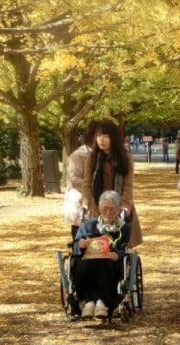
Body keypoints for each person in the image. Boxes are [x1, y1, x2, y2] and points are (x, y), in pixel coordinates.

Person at [81, 120, 143, 248]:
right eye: (98, 136)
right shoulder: (92, 158)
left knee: (118, 245)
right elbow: (87, 183)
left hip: (118, 206)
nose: (101, 140)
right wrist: (85, 203)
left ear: (113, 138)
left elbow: (128, 185)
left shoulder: (125, 158)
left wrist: (125, 206)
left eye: (106, 136)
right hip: (98, 205)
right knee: (97, 246)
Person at [73, 190, 131, 319]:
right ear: (99, 209)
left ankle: (100, 303)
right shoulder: (88, 225)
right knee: (88, 263)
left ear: (118, 210)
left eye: (112, 209)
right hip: (88, 262)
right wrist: (81, 244)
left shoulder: (124, 228)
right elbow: (75, 246)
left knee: (104, 264)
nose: (109, 212)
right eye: (105, 208)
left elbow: (124, 250)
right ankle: (90, 302)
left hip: (111, 263)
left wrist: (118, 255)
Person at [63, 120, 101, 240]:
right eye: (100, 135)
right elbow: (74, 179)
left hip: (100, 204)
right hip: (81, 202)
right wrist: (93, 185)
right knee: (82, 242)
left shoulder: (102, 154)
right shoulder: (78, 155)